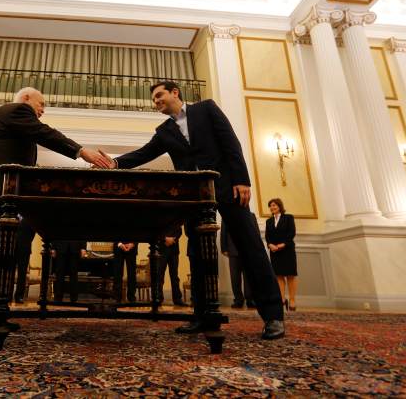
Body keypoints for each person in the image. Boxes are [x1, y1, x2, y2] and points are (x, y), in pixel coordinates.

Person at [107, 81, 284, 340]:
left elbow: (230, 143)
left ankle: (273, 317)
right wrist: (114, 163)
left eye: (159, 95)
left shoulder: (206, 109)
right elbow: (143, 154)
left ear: (175, 92)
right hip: (192, 196)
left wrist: (242, 180)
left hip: (228, 188)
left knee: (250, 247)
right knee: (197, 255)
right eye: (153, 99)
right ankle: (201, 316)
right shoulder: (164, 131)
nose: (155, 101)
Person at [0, 87, 112, 331]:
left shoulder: (12, 123)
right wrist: (81, 152)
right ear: (26, 98)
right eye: (41, 103)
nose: (43, 109)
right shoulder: (17, 110)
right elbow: (44, 133)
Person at [265, 198, 298, 311]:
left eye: (274, 205)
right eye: (270, 206)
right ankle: (282, 300)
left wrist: (282, 244)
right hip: (274, 252)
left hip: (287, 250)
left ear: (279, 206)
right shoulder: (268, 221)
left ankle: (292, 300)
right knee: (278, 276)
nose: (272, 207)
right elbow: (267, 236)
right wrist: (270, 245)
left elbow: (291, 232)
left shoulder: (288, 217)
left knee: (290, 275)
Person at [220, 213, 257, 309]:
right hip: (233, 250)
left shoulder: (251, 215)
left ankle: (250, 299)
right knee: (235, 277)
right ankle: (238, 299)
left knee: (248, 276)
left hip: (248, 250)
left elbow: (255, 232)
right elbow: (223, 232)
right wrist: (224, 248)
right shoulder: (227, 214)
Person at [159, 226, 187, 306]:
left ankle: (177, 298)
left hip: (174, 249)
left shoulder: (176, 217)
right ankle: (159, 298)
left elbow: (179, 231)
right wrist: (165, 239)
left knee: (174, 275)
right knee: (160, 275)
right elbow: (157, 230)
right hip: (161, 248)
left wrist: (172, 239)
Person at [13, 217, 35, 304]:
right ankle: (7, 295)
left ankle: (19, 296)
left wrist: (26, 241)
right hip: (12, 247)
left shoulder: (29, 218)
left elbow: (33, 232)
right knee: (10, 271)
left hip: (25, 248)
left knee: (22, 273)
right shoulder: (13, 215)